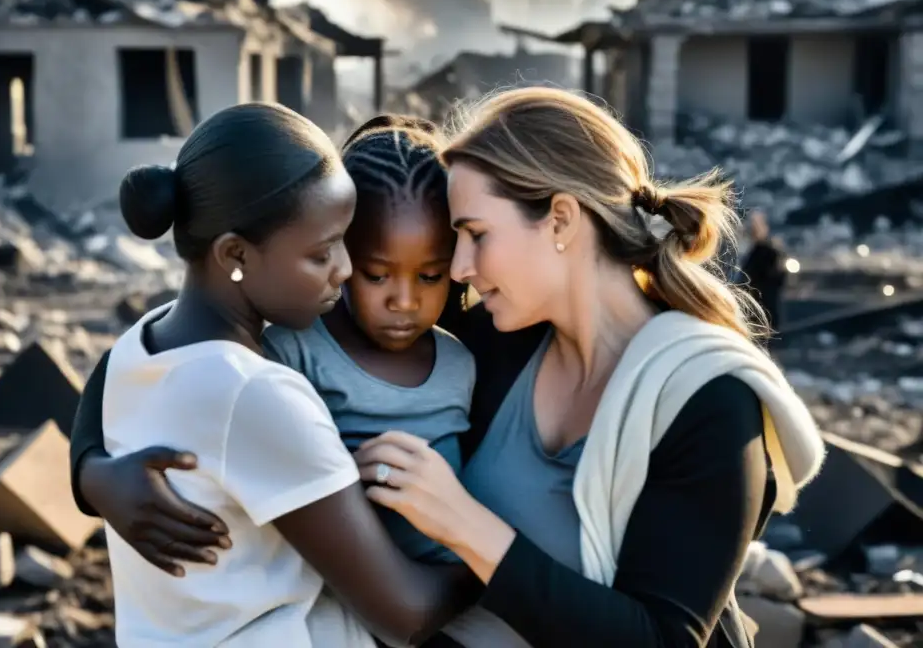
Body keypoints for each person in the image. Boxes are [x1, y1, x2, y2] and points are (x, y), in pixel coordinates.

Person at [70, 91, 826, 647]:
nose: (457, 271)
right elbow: (192, 339)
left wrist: (471, 530)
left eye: (474, 235)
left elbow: (662, 640)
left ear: (559, 221)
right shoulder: (489, 331)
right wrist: (94, 473)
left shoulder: (707, 404)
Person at [92, 103, 477, 647]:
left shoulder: (144, 343)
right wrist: (500, 557)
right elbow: (406, 613)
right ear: (235, 255)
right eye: (322, 254)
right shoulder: (258, 394)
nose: (343, 271)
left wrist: (89, 471)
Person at [264, 115, 474, 564]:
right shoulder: (294, 351)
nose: (405, 300)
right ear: (339, 256)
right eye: (377, 275)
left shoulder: (462, 362)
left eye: (430, 276)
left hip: (453, 593)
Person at [740, 210, 788, 339]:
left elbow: (778, 278)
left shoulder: (769, 252)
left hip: (764, 309)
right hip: (753, 310)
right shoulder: (751, 251)